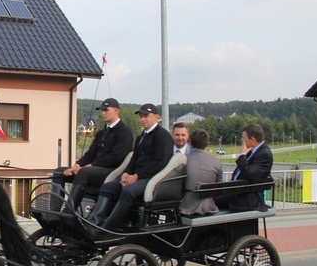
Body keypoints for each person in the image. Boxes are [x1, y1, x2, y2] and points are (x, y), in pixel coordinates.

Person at [88, 103, 174, 234]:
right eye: (141, 116)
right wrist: (126, 173)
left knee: (128, 191)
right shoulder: (141, 137)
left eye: (146, 116)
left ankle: (107, 228)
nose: (143, 119)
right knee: (107, 188)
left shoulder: (163, 136)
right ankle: (94, 223)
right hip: (137, 175)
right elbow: (134, 159)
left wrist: (137, 176)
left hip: (152, 178)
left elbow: (160, 163)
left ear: (156, 117)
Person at [51, 98, 133, 210]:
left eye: (106, 110)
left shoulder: (124, 132)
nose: (103, 113)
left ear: (116, 110)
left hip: (111, 170)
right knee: (59, 171)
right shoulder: (101, 133)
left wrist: (90, 166)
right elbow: (90, 154)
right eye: (102, 110)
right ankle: (54, 210)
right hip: (94, 169)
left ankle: (69, 210)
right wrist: (77, 165)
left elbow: (115, 157)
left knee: (84, 172)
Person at [216, 123, 273, 212]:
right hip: (238, 191)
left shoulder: (264, 154)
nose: (242, 140)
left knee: (210, 201)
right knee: (210, 198)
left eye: (244, 138)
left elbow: (249, 173)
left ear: (252, 139)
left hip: (246, 198)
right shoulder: (253, 150)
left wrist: (242, 155)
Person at [180, 128, 223, 216]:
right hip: (209, 207)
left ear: (190, 143)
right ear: (207, 143)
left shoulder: (183, 160)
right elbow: (218, 187)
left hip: (186, 208)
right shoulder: (216, 161)